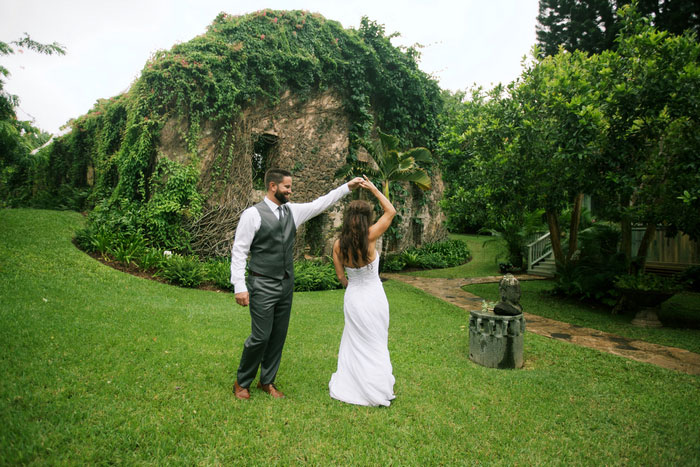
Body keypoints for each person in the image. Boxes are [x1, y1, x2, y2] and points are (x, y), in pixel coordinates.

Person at [231, 168, 363, 400]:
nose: (291, 191)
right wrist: (239, 286)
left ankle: (267, 381)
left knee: (278, 336)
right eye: (287, 187)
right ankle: (242, 382)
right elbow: (239, 251)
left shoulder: (293, 211)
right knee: (261, 336)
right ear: (273, 186)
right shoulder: (252, 214)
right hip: (261, 283)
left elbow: (321, 203)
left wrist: (347, 187)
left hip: (285, 286)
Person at [329, 175, 397, 407]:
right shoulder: (370, 236)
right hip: (374, 297)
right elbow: (391, 212)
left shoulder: (338, 245)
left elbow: (340, 276)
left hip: (354, 298)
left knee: (355, 341)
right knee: (376, 341)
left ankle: (354, 384)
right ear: (367, 218)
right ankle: (376, 385)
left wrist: (353, 287)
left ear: (347, 219)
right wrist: (374, 189)